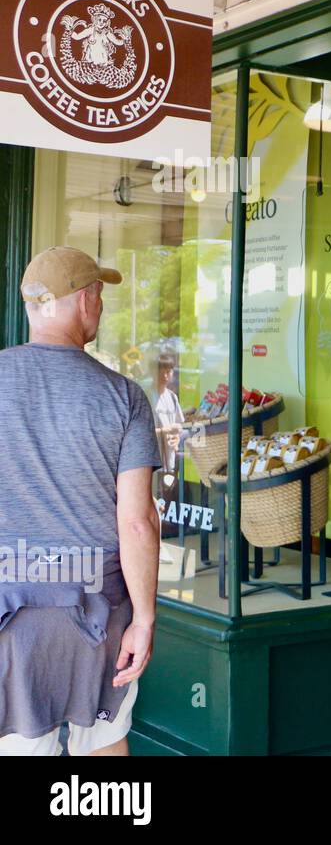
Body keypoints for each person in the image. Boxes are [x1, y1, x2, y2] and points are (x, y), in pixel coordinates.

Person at [0, 246, 160, 756]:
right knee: (105, 752)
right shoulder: (123, 396)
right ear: (84, 300)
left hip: (10, 614)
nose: (101, 307)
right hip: (98, 616)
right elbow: (137, 523)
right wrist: (145, 618)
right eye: (99, 295)